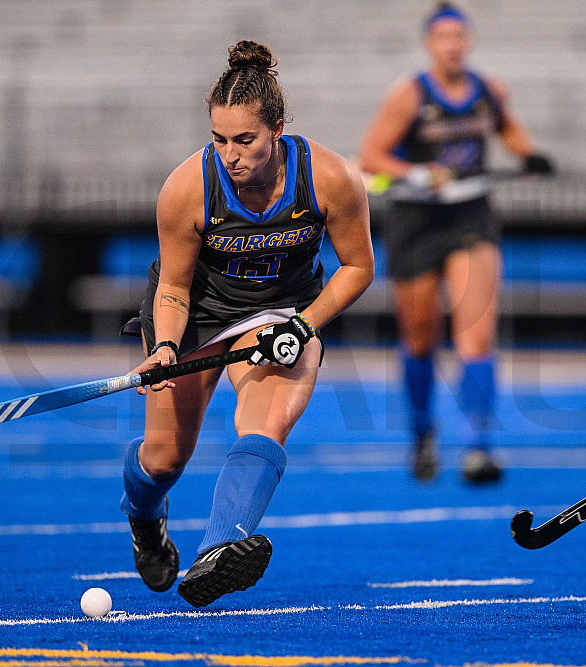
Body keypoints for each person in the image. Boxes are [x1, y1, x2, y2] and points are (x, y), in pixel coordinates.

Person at [118, 40, 374, 608]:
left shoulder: (330, 178)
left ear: (278, 129)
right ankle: (143, 516)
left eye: (245, 140)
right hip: (197, 310)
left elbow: (358, 268)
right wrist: (163, 347)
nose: (230, 155)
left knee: (265, 420)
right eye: (219, 139)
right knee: (164, 459)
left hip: (284, 309)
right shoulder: (188, 188)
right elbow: (173, 286)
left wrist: (304, 326)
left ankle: (218, 549)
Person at [357, 1, 554, 483]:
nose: (452, 45)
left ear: (468, 42)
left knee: (477, 336)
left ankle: (479, 446)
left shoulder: (489, 90)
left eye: (459, 36)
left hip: (470, 217)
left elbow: (505, 124)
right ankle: (423, 434)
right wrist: (420, 173)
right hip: (415, 223)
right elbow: (371, 157)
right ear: (430, 44)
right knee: (420, 341)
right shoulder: (408, 95)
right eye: (443, 37)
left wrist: (528, 155)